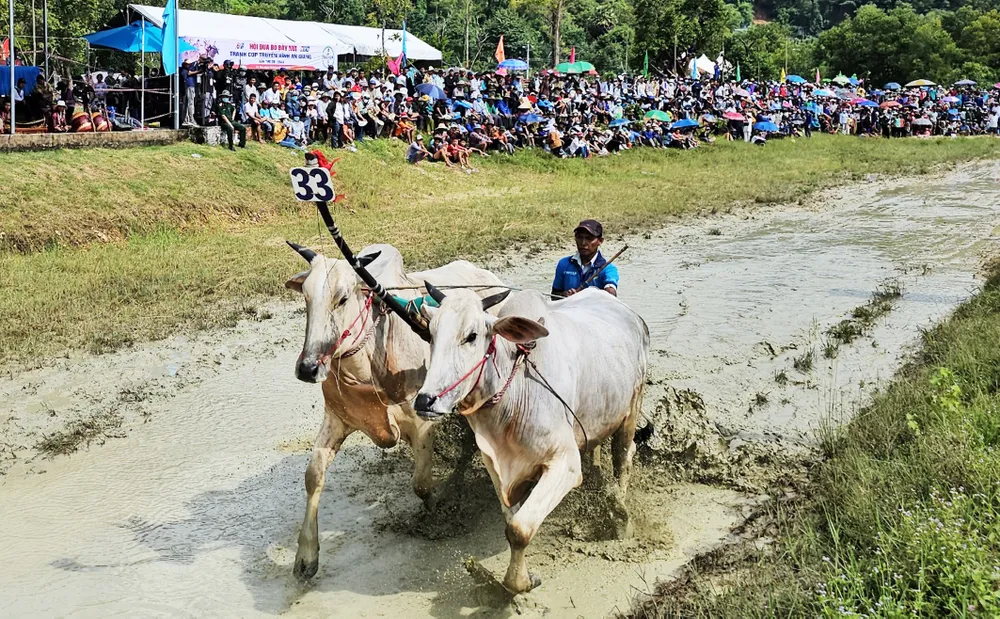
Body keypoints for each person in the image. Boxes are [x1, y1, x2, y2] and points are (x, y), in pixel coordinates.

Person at [551, 219, 619, 298]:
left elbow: (611, 296)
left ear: (600, 241)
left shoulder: (608, 269)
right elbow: (554, 296)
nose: (583, 243)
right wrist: (565, 295)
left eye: (589, 238)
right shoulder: (563, 264)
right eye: (579, 237)